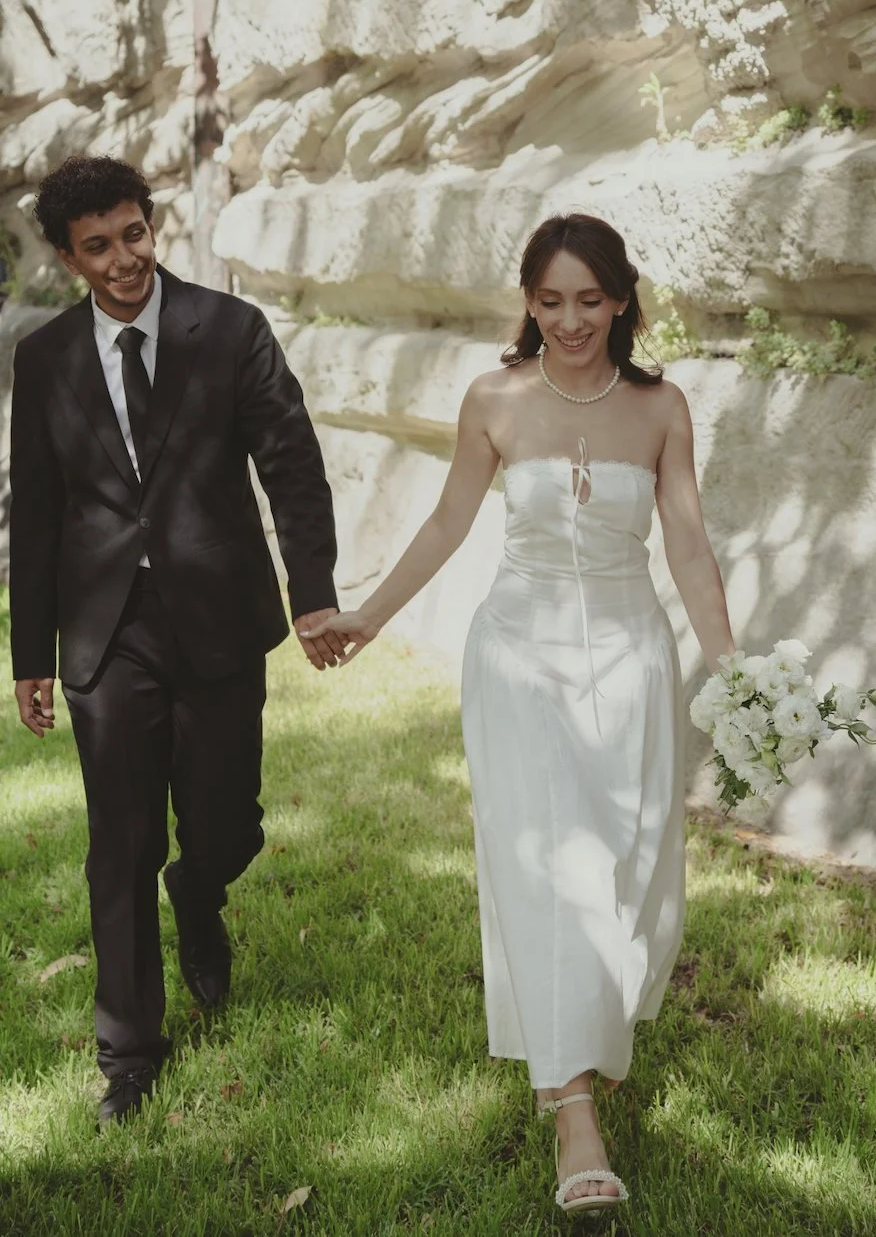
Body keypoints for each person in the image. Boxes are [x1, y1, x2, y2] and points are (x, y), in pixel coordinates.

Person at [303, 212, 735, 1213]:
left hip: (630, 663)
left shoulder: (661, 407)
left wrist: (733, 670)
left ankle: (584, 1035)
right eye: (549, 301)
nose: (569, 320)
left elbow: (687, 544)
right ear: (528, 303)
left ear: (621, 301)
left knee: (632, 883)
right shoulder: (494, 398)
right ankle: (574, 1121)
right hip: (518, 662)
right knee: (552, 873)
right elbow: (449, 520)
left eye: (589, 300)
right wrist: (368, 613)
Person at [9, 155, 345, 1126]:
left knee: (226, 823)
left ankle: (199, 892)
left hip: (220, 616)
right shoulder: (45, 359)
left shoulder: (229, 330)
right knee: (118, 843)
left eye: (135, 233)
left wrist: (313, 594)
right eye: (99, 246)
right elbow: (36, 512)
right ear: (69, 259)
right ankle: (129, 1055)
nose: (125, 259)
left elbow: (292, 463)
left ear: (151, 225)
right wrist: (31, 654)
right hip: (106, 631)